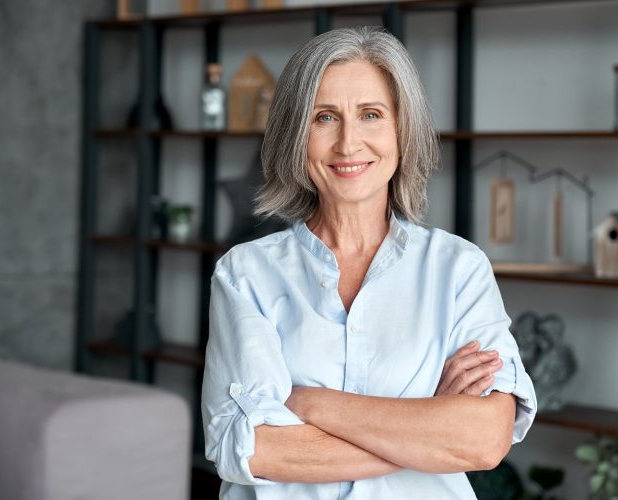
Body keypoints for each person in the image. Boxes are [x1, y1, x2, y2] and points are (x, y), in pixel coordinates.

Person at [201, 26, 537, 499]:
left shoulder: (459, 270)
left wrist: (310, 403)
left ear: (402, 130)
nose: (348, 144)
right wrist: (430, 426)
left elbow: (483, 439)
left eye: (371, 115)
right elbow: (253, 450)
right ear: (295, 135)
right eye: (324, 118)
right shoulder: (245, 275)